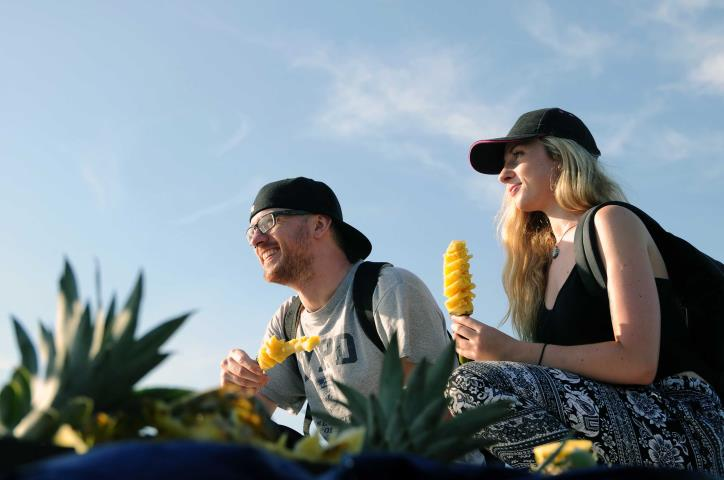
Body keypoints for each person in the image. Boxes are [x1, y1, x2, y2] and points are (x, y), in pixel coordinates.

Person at [444, 108, 724, 474]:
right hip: (609, 422)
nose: (503, 174)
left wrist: (511, 351)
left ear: (560, 158)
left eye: (517, 156)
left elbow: (638, 362)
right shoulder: (541, 263)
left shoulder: (611, 221)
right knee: (462, 414)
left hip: (681, 421)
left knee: (474, 385)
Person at [220, 177, 450, 439]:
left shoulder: (388, 289)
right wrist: (233, 394)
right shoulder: (287, 320)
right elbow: (245, 424)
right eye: (251, 231)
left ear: (319, 224)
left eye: (267, 222)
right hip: (344, 459)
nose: (256, 240)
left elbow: (436, 410)